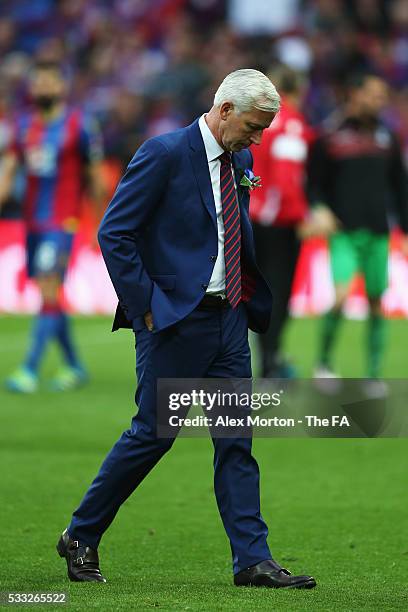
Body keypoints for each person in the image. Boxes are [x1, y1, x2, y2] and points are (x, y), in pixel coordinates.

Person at [57, 69, 316, 589]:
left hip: (228, 322)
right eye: (253, 126)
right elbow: (115, 232)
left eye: (264, 129)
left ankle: (252, 560)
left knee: (236, 441)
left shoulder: (239, 159)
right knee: (153, 436)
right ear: (223, 110)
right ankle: (81, 532)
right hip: (174, 321)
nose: (258, 139)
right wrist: (147, 307)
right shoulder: (164, 153)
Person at [0, 61, 105, 393]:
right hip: (31, 223)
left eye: (49, 82)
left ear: (62, 87)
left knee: (47, 288)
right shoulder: (23, 126)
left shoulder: (79, 125)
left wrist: (100, 225)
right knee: (50, 295)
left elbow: (95, 178)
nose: (43, 89)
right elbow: (9, 170)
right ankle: (74, 365)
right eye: (38, 83)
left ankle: (29, 369)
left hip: (64, 221)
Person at [309, 73, 408, 383]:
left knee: (377, 303)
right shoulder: (331, 136)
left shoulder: (387, 138)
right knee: (339, 298)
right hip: (344, 233)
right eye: (374, 95)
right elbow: (313, 184)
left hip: (379, 233)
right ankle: (323, 364)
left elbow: (400, 187)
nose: (379, 102)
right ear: (356, 95)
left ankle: (373, 375)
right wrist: (319, 209)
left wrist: (404, 231)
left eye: (382, 97)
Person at [250, 66, 316, 378]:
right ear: (299, 90)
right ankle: (270, 364)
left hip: (249, 218)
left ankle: (266, 359)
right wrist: (302, 215)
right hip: (278, 223)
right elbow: (288, 179)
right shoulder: (290, 124)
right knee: (277, 294)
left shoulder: (260, 121)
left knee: (254, 292)